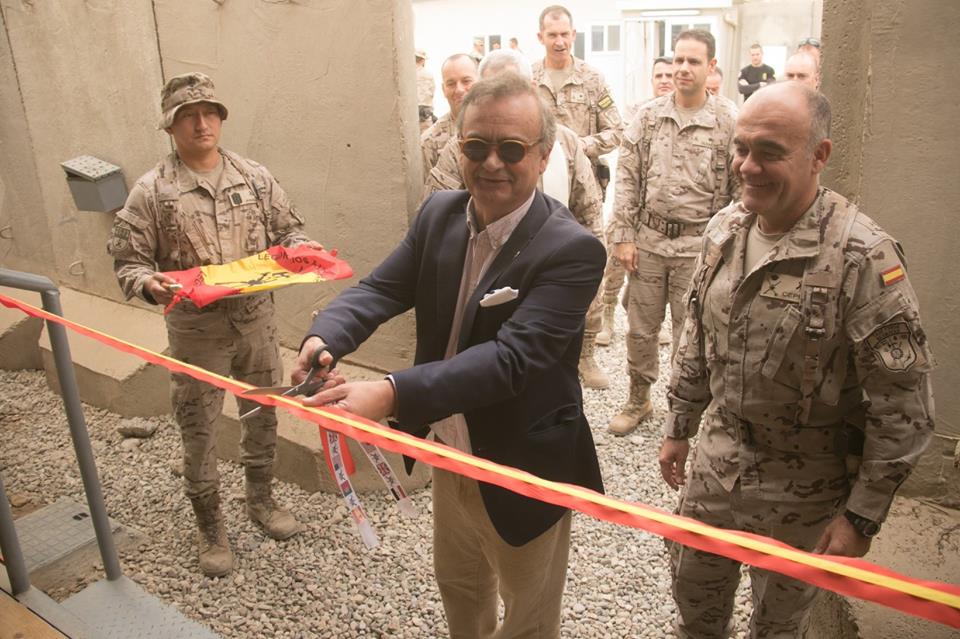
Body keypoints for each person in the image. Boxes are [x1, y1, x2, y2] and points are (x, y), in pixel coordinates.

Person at [296, 73, 605, 638]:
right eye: (476, 146)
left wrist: (390, 393)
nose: (492, 163)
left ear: (543, 156)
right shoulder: (439, 213)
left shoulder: (573, 250)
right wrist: (324, 339)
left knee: (529, 617)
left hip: (523, 464)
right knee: (460, 589)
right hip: (448, 450)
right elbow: (382, 288)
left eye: (512, 149)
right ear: (457, 148)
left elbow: (512, 360)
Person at [659, 82, 935, 638]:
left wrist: (861, 517)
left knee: (780, 628)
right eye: (740, 148)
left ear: (818, 155)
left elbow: (903, 409)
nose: (747, 166)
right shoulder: (725, 229)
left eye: (769, 152)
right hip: (716, 467)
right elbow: (696, 336)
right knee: (693, 603)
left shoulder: (862, 257)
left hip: (804, 491)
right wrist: (679, 425)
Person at [107, 73, 322, 577]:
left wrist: (303, 250)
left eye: (209, 113)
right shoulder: (152, 191)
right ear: (171, 126)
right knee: (198, 427)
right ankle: (210, 526)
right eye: (188, 116)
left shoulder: (254, 177)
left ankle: (261, 500)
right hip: (196, 334)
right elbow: (128, 262)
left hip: (256, 324)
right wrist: (149, 284)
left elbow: (289, 231)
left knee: (262, 413)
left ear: (221, 119)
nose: (201, 124)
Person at [423, 50, 609, 388]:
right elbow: (438, 215)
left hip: (550, 267)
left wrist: (587, 285)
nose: (493, 162)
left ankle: (586, 356)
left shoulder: (564, 142)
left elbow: (589, 209)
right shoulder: (460, 148)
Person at [607, 29, 739, 436]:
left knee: (691, 334)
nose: (683, 68)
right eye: (678, 59)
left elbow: (741, 191)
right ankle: (638, 399)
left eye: (693, 61)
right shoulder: (648, 117)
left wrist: (727, 249)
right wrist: (623, 236)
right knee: (640, 330)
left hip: (700, 248)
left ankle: (682, 410)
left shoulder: (728, 121)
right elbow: (627, 177)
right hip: (648, 243)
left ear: (711, 66)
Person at [597, 55, 674, 348]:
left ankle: (653, 318)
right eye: (659, 76)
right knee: (614, 261)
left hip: (662, 209)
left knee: (658, 270)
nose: (665, 80)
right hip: (632, 204)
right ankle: (607, 314)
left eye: (669, 75)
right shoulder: (638, 112)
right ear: (652, 81)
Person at [532, 5, 623, 197]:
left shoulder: (593, 79)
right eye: (552, 35)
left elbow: (616, 132)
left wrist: (582, 145)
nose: (560, 42)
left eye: (565, 34)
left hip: (583, 186)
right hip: (539, 185)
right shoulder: (529, 79)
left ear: (573, 35)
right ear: (540, 37)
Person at [421, 54, 478, 182]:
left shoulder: (497, 129)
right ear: (443, 89)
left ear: (480, 82)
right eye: (451, 84)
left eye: (466, 81)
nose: (459, 90)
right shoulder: (429, 142)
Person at [416, 49, 436, 133]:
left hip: (413, 111)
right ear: (423, 60)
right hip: (425, 113)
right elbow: (432, 92)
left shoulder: (408, 73)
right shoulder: (428, 74)